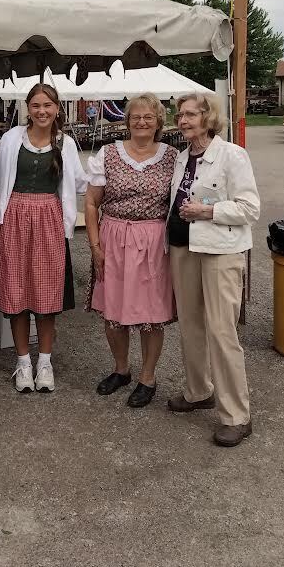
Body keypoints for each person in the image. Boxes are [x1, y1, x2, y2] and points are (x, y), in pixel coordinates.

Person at [167, 93, 260, 447]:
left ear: (209, 117)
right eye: (180, 114)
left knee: (222, 332)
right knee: (189, 324)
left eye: (191, 114)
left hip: (220, 251)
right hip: (182, 248)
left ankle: (237, 415)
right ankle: (198, 390)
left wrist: (208, 212)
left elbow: (250, 208)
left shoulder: (231, 155)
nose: (183, 120)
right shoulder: (181, 158)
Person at [0, 83, 88, 393]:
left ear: (57, 108)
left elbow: (79, 183)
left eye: (47, 105)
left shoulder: (66, 143)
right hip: (15, 218)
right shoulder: (10, 139)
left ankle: (44, 362)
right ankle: (22, 363)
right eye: (36, 105)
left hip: (49, 219)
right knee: (16, 293)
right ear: (27, 108)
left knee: (46, 296)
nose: (42, 110)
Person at [85, 94, 177, 407]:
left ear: (159, 122)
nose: (141, 122)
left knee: (151, 313)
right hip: (112, 237)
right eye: (135, 116)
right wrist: (95, 245)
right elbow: (91, 202)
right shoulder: (108, 154)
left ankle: (147, 377)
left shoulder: (173, 157)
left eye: (148, 117)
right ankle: (121, 369)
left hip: (152, 241)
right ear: (127, 121)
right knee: (114, 311)